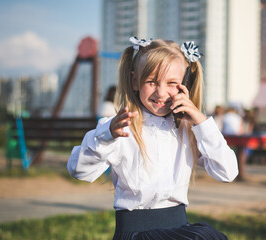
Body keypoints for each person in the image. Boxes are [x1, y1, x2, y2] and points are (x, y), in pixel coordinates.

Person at [67, 37, 238, 240]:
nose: (161, 92)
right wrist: (106, 137)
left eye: (172, 83)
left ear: (185, 85)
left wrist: (201, 122)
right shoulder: (119, 127)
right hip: (136, 233)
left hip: (179, 229)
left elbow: (227, 172)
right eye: (151, 81)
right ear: (134, 82)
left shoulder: (189, 130)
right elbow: (80, 171)